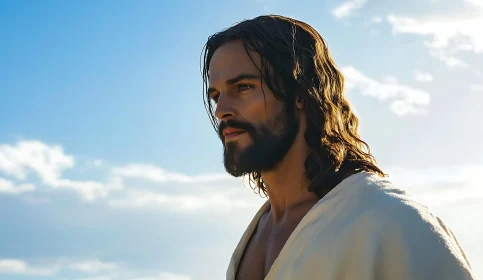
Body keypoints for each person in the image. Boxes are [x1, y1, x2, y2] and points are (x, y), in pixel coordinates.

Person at [201, 15, 476, 280]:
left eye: (244, 87)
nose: (221, 111)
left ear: (300, 93)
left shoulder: (392, 224)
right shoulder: (254, 236)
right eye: (216, 96)